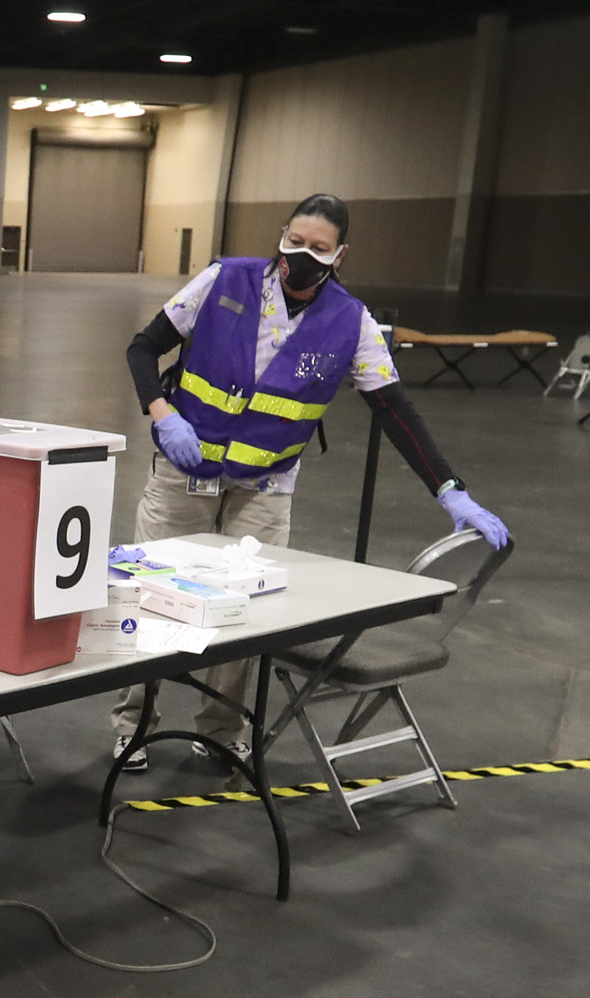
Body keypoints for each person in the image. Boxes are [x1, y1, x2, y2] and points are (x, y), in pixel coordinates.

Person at [111, 192, 511, 771]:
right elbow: (144, 346)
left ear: (339, 255)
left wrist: (449, 488)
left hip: (265, 489)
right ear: (281, 236)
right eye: (294, 241)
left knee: (244, 611)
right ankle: (133, 726)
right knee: (152, 595)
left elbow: (394, 410)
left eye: (318, 248)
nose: (302, 255)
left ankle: (221, 728)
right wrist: (162, 413)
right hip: (184, 470)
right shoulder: (226, 279)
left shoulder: (352, 324)